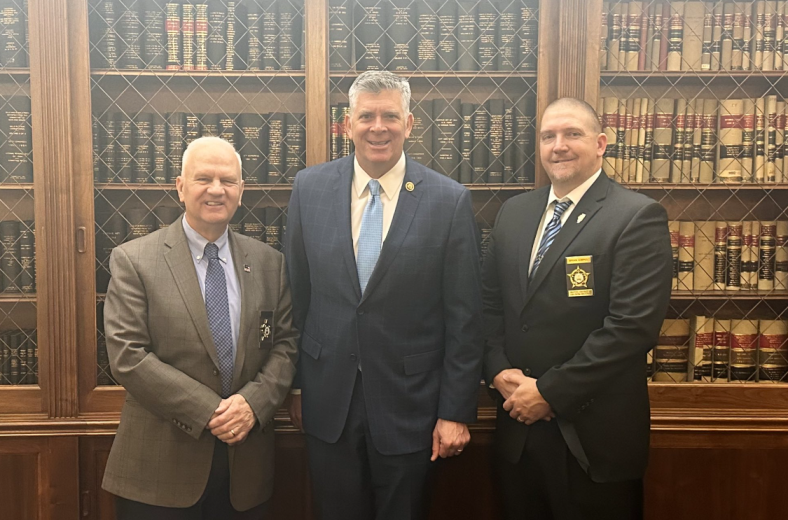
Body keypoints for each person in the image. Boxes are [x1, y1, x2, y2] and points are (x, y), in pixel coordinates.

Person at [285, 70, 484, 520]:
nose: (379, 127)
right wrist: (294, 384)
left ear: (409, 124)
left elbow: (465, 317)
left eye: (390, 116)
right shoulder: (309, 189)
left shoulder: (448, 201)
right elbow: (296, 296)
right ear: (347, 124)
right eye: (367, 116)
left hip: (411, 408)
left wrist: (455, 411)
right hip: (327, 401)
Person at [482, 97, 673, 519]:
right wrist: (496, 370)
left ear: (600, 143)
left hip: (592, 440)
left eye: (573, 134)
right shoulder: (514, 214)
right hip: (518, 431)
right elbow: (490, 304)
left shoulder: (636, 216)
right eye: (548, 136)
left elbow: (631, 328)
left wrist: (549, 392)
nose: (559, 146)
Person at [101, 136, 298, 519]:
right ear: (180, 187)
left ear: (241, 190)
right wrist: (210, 410)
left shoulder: (270, 263)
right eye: (203, 179)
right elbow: (128, 356)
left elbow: (285, 344)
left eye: (227, 180)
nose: (216, 190)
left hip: (245, 466)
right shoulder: (134, 260)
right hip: (159, 470)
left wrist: (252, 404)